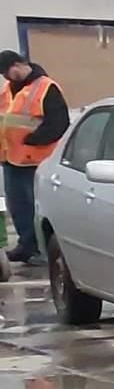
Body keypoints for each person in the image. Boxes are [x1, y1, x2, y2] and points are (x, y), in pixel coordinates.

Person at [0, 51, 72, 270]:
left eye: (8, 71)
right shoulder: (8, 89)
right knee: (18, 207)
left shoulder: (46, 88)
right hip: (12, 159)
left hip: (36, 160)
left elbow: (59, 123)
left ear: (20, 64)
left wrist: (32, 139)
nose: (7, 76)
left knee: (36, 207)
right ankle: (26, 245)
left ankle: (41, 250)